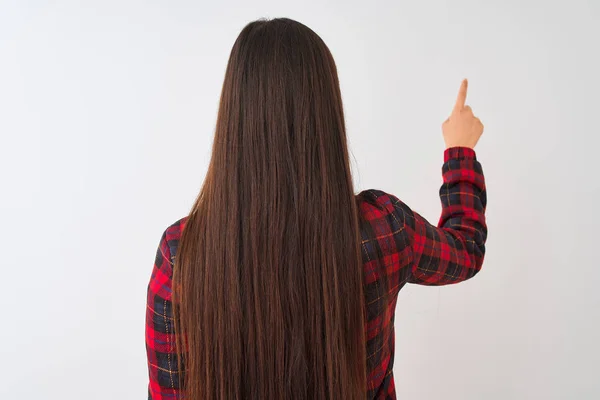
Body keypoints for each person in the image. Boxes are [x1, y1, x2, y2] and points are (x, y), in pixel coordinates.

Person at [145, 17, 486, 400]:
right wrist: (460, 151)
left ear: (234, 117)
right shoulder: (383, 229)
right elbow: (466, 248)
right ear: (325, 114)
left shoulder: (182, 255)